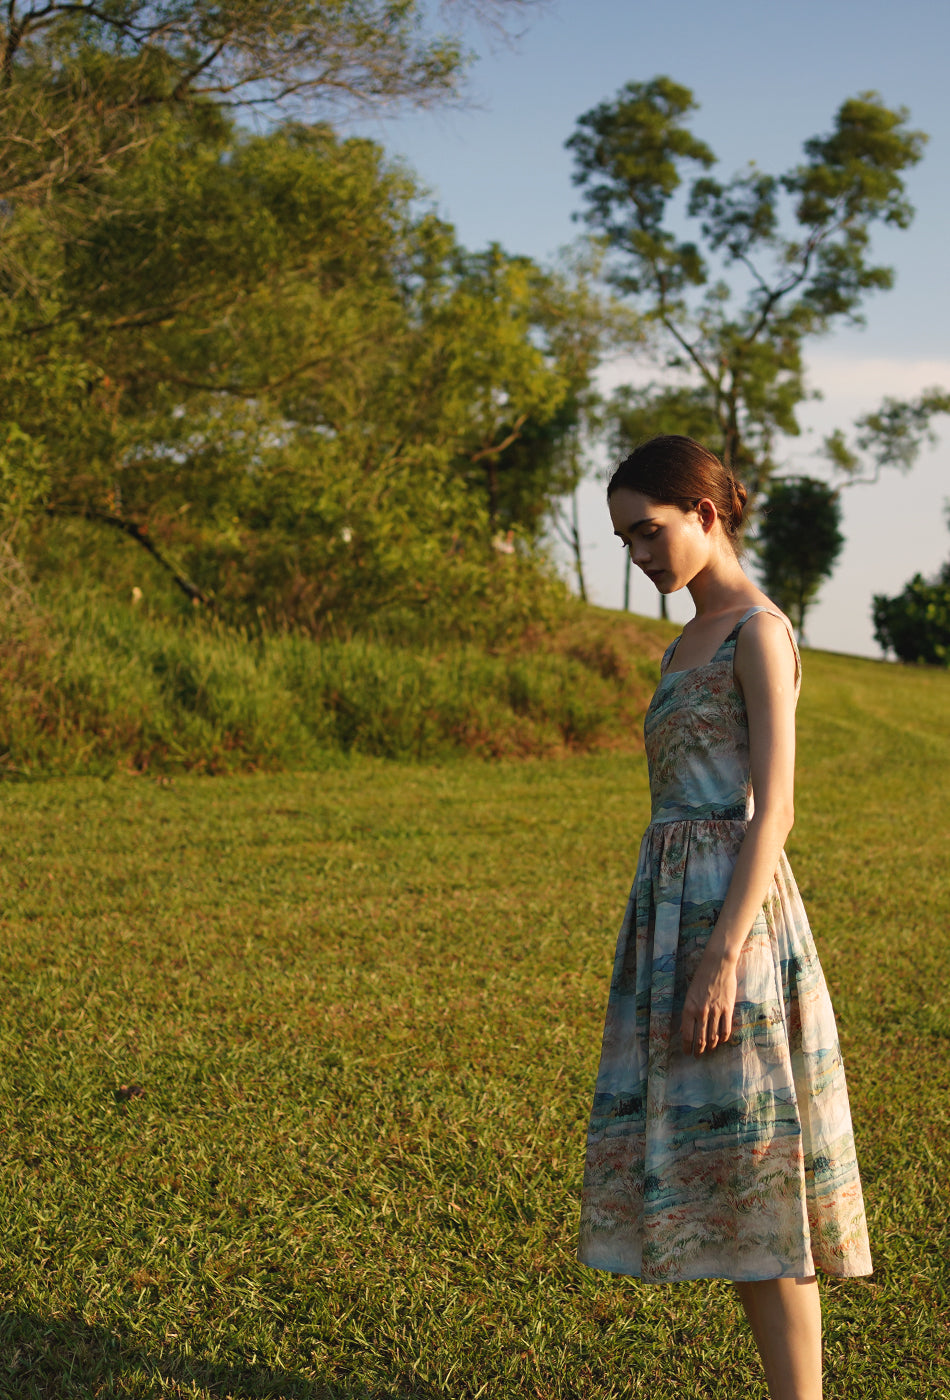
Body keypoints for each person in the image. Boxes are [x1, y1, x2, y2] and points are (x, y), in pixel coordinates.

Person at [577, 436, 872, 1400]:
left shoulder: (759, 630)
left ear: (706, 512)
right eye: (624, 541)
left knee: (757, 1166)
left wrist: (720, 956)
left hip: (732, 926)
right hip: (670, 916)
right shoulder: (681, 639)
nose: (641, 554)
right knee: (726, 1169)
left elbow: (774, 810)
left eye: (650, 531)